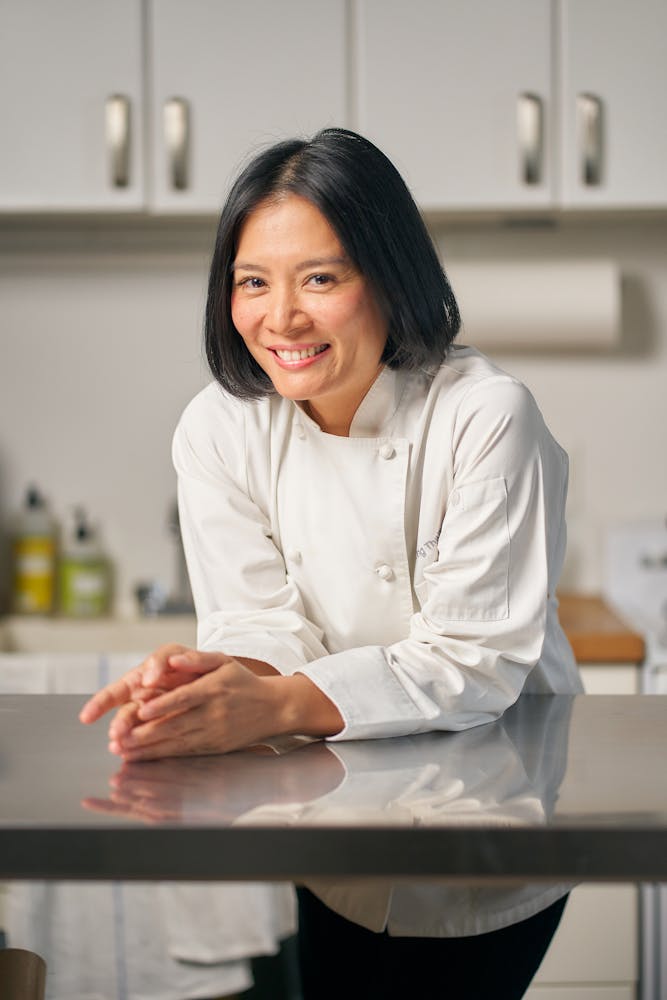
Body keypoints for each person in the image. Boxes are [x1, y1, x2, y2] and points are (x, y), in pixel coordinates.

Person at [80, 126, 583, 999]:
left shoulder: (485, 415)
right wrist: (209, 676)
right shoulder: (221, 424)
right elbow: (257, 622)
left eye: (320, 277)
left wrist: (271, 701)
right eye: (252, 282)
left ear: (389, 277)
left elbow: (472, 662)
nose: (281, 318)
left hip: (491, 828)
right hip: (335, 825)